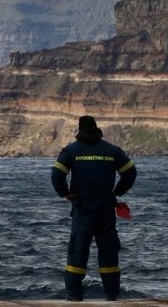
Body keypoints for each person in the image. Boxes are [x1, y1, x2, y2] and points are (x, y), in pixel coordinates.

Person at [51, 115, 137, 301]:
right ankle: (112, 296)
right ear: (96, 128)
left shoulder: (71, 151)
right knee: (108, 253)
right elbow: (130, 172)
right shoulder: (112, 151)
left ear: (80, 129)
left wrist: (65, 193)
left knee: (78, 251)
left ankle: (74, 297)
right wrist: (117, 192)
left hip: (82, 210)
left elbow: (57, 174)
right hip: (106, 211)